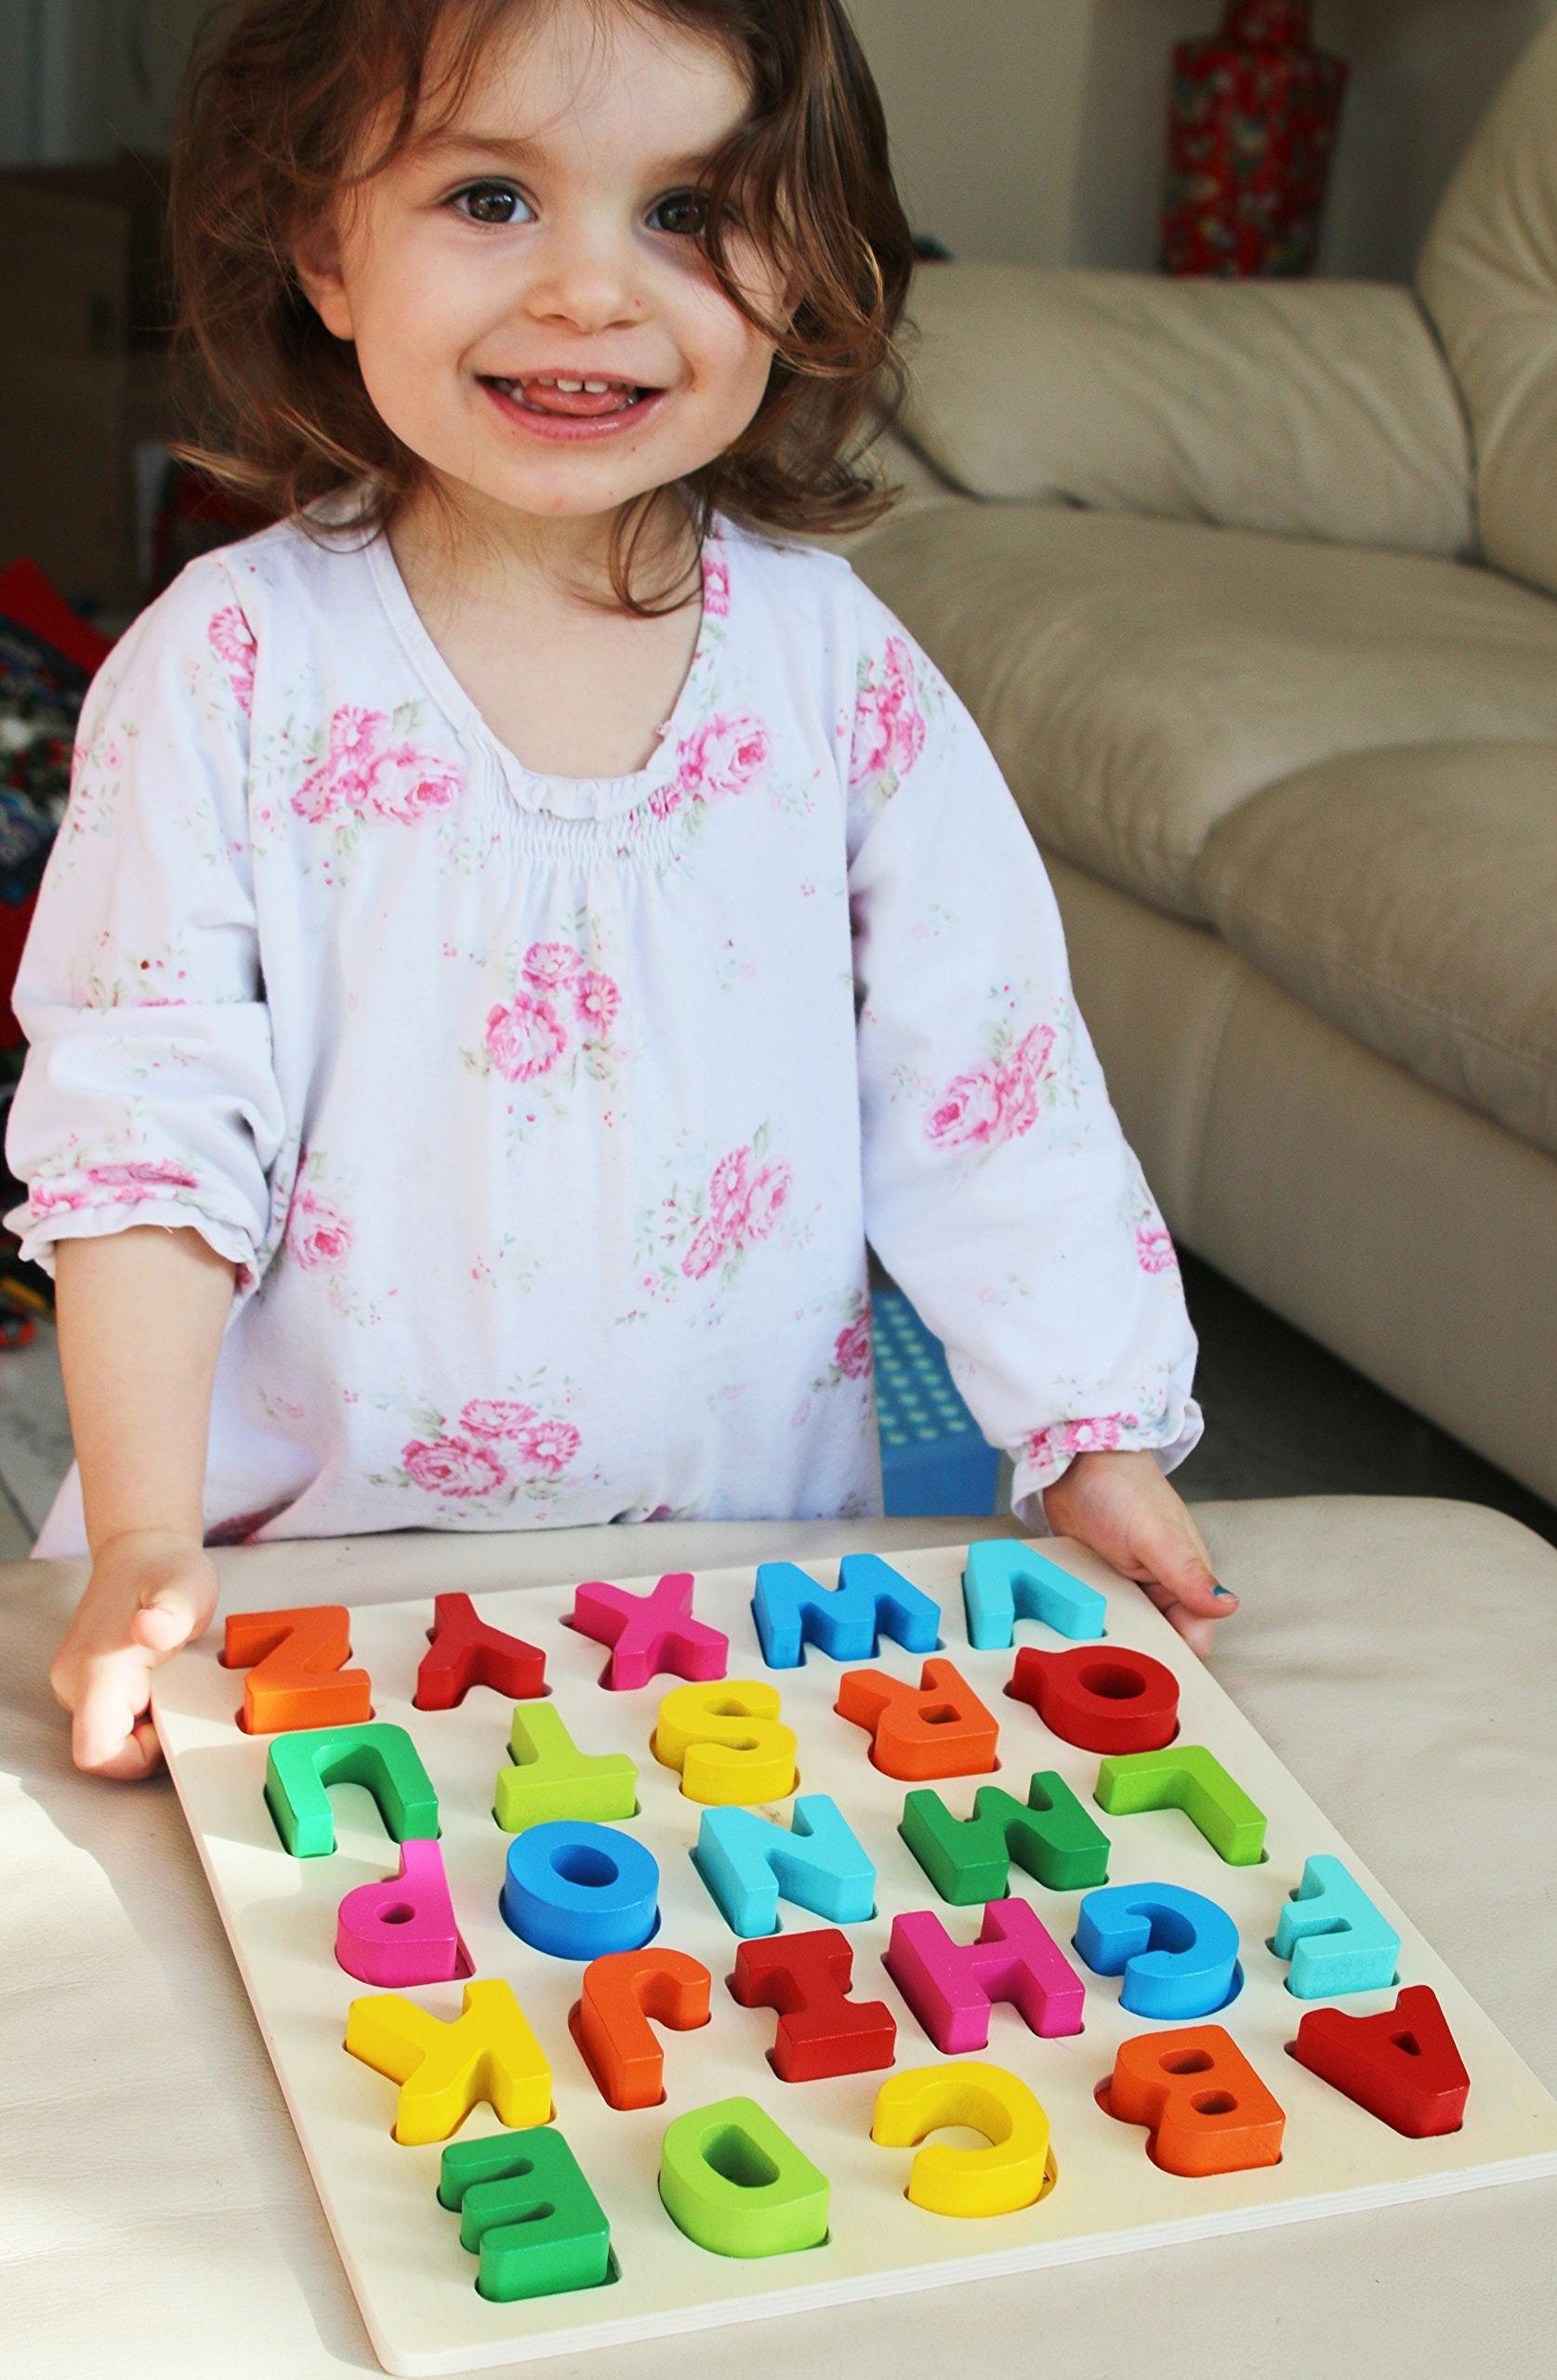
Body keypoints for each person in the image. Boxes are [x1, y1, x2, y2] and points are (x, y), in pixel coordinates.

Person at [7, 0, 1235, 1781]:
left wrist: (1092, 1436)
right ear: (324, 250)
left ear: (807, 266)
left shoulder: (842, 677)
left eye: (687, 211)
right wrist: (138, 1533)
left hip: (732, 1592)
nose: (592, 290)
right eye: (492, 199)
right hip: (292, 1578)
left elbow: (992, 1087)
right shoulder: (232, 670)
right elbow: (140, 1133)